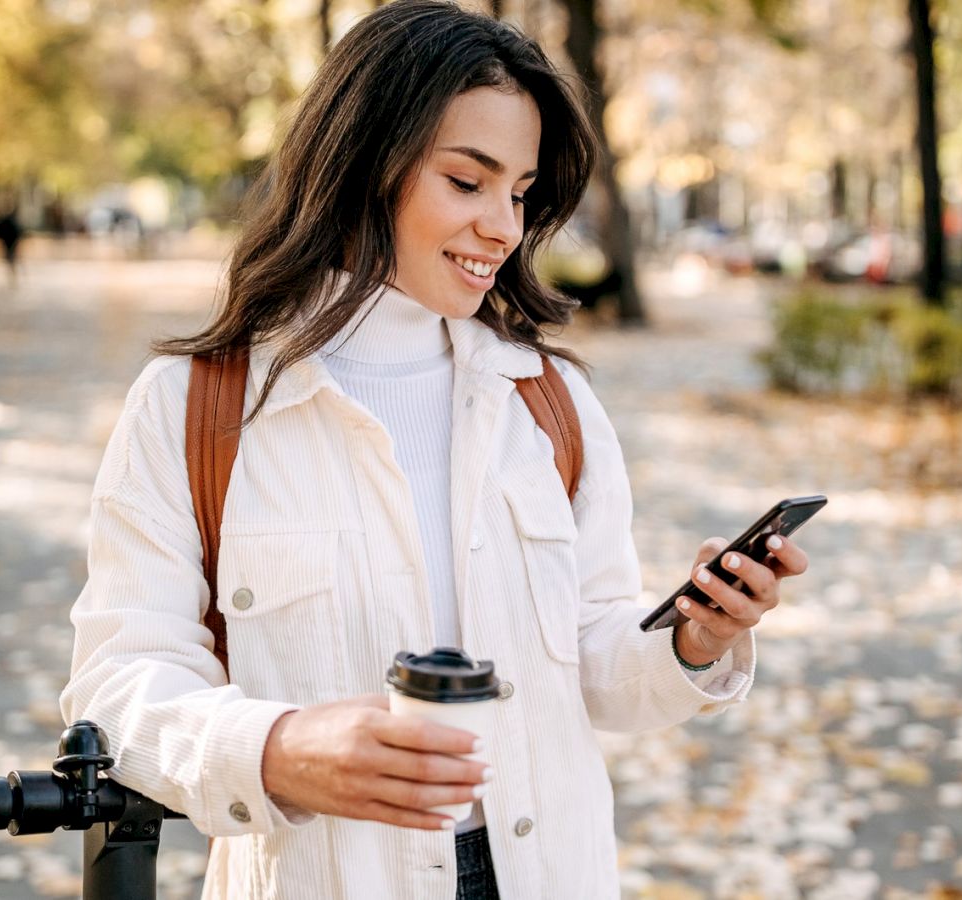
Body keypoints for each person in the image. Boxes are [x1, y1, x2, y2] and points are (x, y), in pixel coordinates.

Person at [59, 3, 810, 898]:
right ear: (364, 165)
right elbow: (117, 683)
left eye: (521, 193)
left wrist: (693, 637)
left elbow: (598, 671)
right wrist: (279, 750)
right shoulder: (196, 408)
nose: (504, 225)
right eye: (468, 181)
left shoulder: (549, 402)